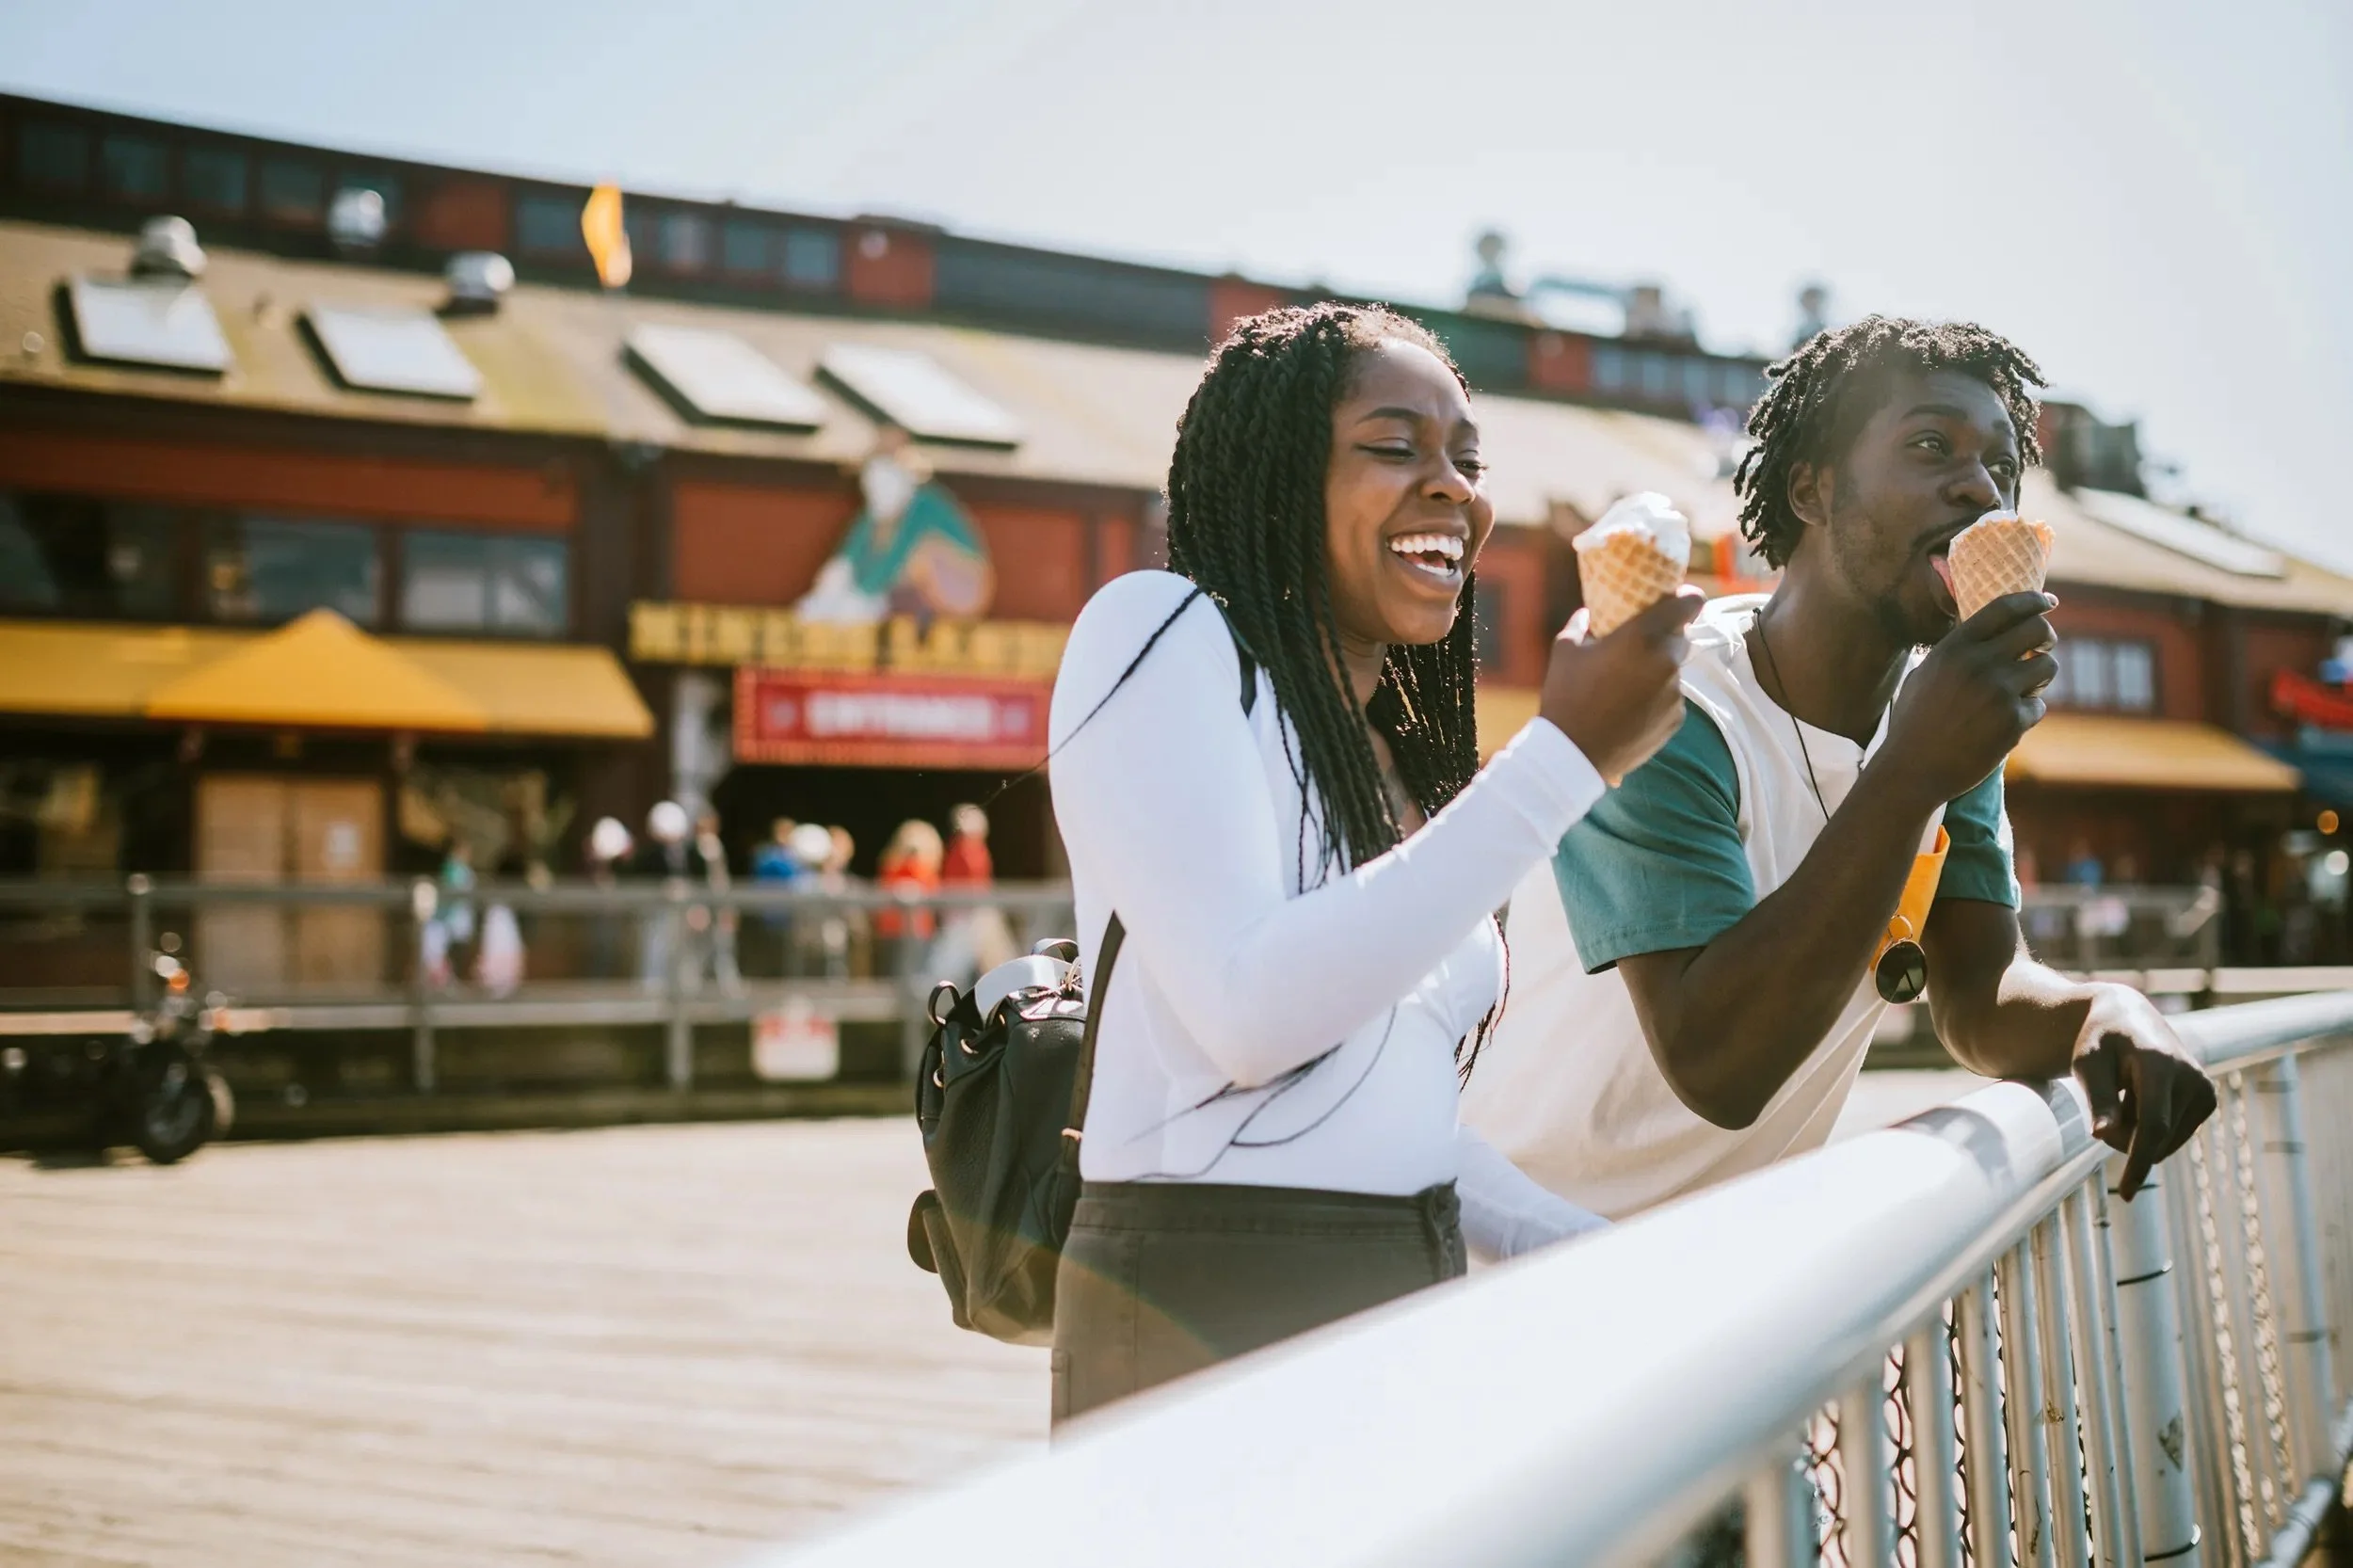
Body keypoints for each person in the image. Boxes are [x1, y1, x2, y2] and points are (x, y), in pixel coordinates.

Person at [1047, 301, 1697, 1425]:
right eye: (1394, 448)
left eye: (1467, 459)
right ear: (1276, 477)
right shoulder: (1154, 630)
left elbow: (1394, 1119)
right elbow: (1248, 1014)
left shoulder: (1384, 763)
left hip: (1402, 1302)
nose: (1454, 488)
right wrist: (1564, 761)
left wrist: (1603, 1258)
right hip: (1211, 1309)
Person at [1462, 316, 2217, 1224]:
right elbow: (1718, 1066)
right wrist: (1910, 771)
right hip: (1513, 1261)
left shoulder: (1942, 717)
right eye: (1931, 445)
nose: (1981, 488)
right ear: (1811, 488)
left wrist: (2105, 1008)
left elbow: (1978, 997)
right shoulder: (1670, 702)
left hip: (1731, 1274)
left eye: (2002, 464)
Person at [873, 819, 945, 977]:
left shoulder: (928, 870)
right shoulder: (892, 865)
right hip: (892, 932)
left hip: (919, 933)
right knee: (891, 977)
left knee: (917, 977)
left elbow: (932, 892)